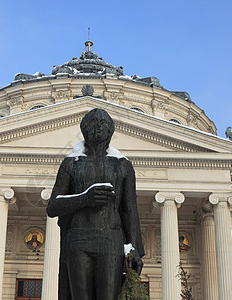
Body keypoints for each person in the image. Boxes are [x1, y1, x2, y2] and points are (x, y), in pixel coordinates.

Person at [47, 108, 144, 300]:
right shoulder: (71, 163)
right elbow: (53, 206)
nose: (98, 126)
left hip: (111, 242)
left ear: (111, 130)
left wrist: (134, 248)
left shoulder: (123, 165)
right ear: (84, 130)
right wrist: (85, 198)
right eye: (93, 122)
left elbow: (130, 209)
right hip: (79, 241)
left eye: (103, 122)